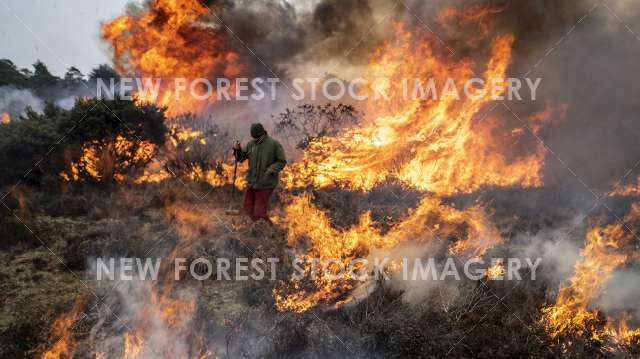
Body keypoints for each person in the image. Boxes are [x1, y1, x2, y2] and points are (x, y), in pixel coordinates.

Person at [233, 123, 286, 223]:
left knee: (259, 213)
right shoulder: (251, 144)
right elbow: (240, 158)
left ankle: (268, 230)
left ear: (263, 133)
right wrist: (237, 149)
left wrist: (270, 170)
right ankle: (257, 227)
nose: (257, 140)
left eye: (258, 137)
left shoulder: (274, 144)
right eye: (255, 138)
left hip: (266, 183)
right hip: (253, 182)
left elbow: (281, 161)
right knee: (248, 209)